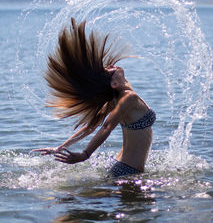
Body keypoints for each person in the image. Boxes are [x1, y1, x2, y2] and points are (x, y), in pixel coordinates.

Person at [31, 18, 155, 177]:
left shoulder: (117, 99)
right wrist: (84, 155)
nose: (112, 66)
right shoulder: (128, 98)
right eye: (109, 71)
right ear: (114, 84)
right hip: (128, 170)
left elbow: (91, 127)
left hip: (122, 166)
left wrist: (61, 147)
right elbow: (106, 127)